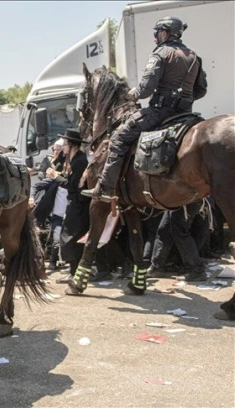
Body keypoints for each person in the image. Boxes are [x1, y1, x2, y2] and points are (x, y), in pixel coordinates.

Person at [82, 16, 207, 202]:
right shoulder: (194, 57)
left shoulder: (161, 53)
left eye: (156, 33)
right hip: (185, 114)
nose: (155, 37)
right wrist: (184, 99)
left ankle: (106, 188)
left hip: (159, 112)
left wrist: (134, 94)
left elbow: (146, 88)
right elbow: (201, 90)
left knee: (117, 138)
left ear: (164, 33)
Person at [46, 130, 89, 285]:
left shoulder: (80, 161)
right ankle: (73, 272)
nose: (63, 147)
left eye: (65, 144)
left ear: (72, 145)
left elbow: (73, 186)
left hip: (79, 205)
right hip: (73, 203)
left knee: (71, 238)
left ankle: (75, 273)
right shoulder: (73, 158)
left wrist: (56, 177)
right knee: (69, 238)